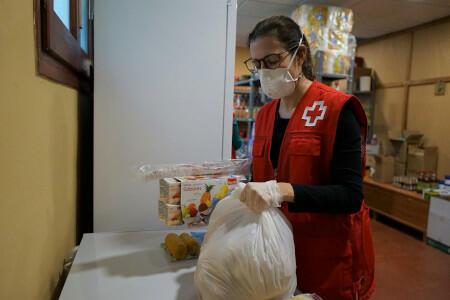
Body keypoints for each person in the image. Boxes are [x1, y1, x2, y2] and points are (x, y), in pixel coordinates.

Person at [239, 16, 375, 300]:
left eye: (272, 60)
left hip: (326, 258)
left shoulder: (336, 109)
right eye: (257, 64)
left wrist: (283, 190)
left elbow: (350, 195)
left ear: (299, 55)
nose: (264, 71)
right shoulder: (264, 116)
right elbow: (266, 172)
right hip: (278, 253)